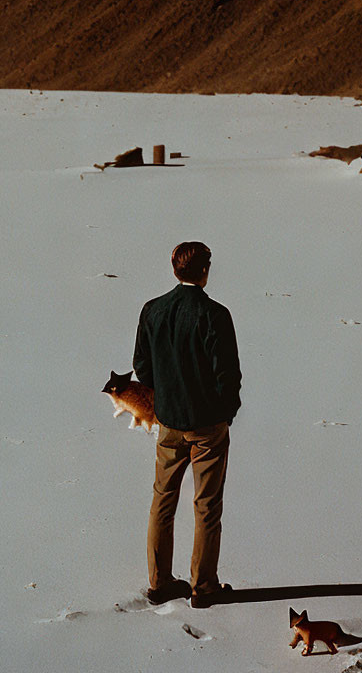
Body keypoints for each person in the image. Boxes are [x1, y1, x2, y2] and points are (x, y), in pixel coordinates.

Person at [133, 242, 242, 609]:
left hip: (168, 423)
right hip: (208, 425)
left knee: (162, 500)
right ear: (205, 270)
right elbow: (227, 373)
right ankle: (203, 585)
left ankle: (159, 581)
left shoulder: (153, 310)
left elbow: (143, 368)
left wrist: (165, 398)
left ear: (174, 269)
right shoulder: (215, 314)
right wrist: (227, 412)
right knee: (206, 505)